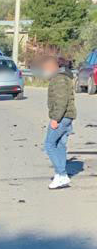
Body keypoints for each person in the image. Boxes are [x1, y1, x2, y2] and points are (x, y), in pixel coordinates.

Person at [42, 56, 77, 189]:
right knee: (60, 145)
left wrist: (55, 119)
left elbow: (61, 102)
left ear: (53, 67)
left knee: (49, 144)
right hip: (67, 116)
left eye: (46, 68)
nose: (44, 70)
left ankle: (61, 175)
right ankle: (61, 175)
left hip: (62, 117)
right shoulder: (64, 77)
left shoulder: (59, 79)